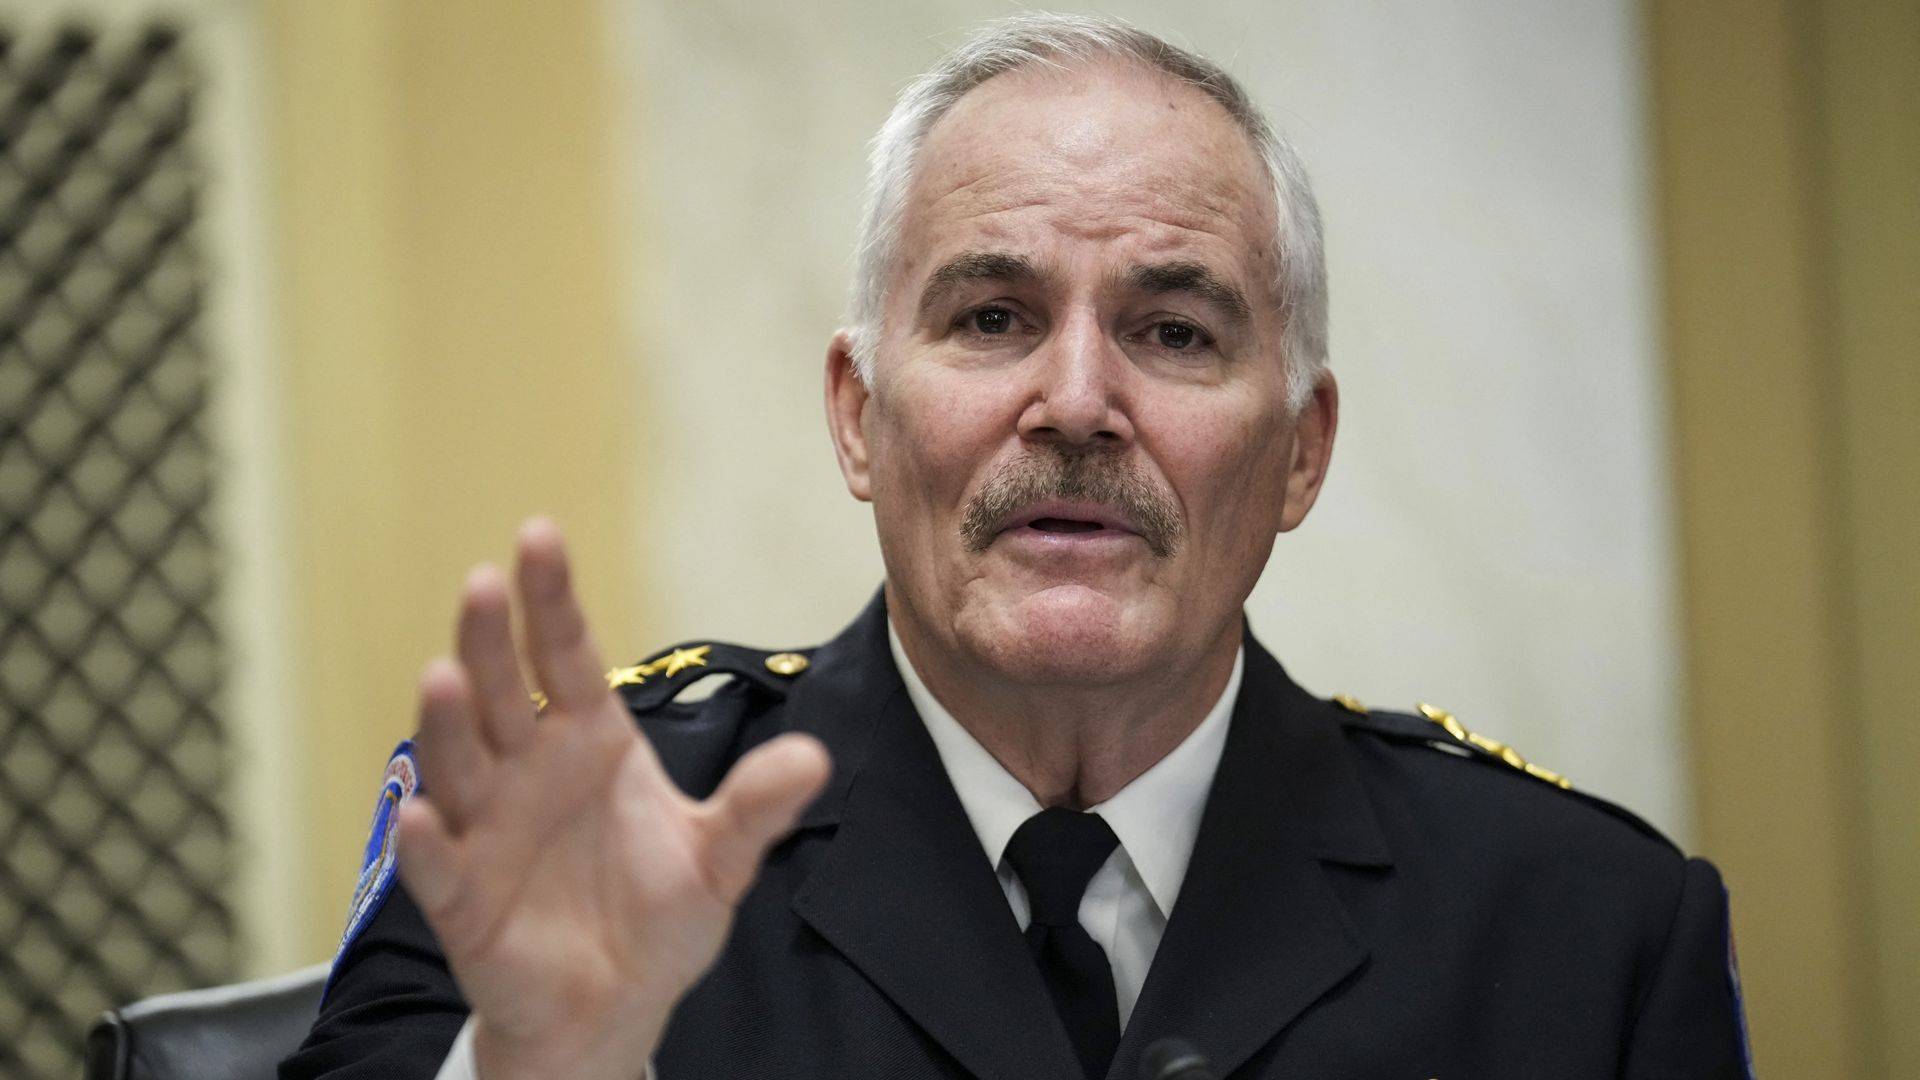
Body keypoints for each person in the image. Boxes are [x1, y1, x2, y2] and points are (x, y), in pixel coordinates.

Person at [283, 13, 1752, 1080]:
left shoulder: (1587, 927)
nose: (1077, 405)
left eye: (1174, 332)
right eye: (992, 318)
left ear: (1301, 450)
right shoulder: (575, 849)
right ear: (859, 418)